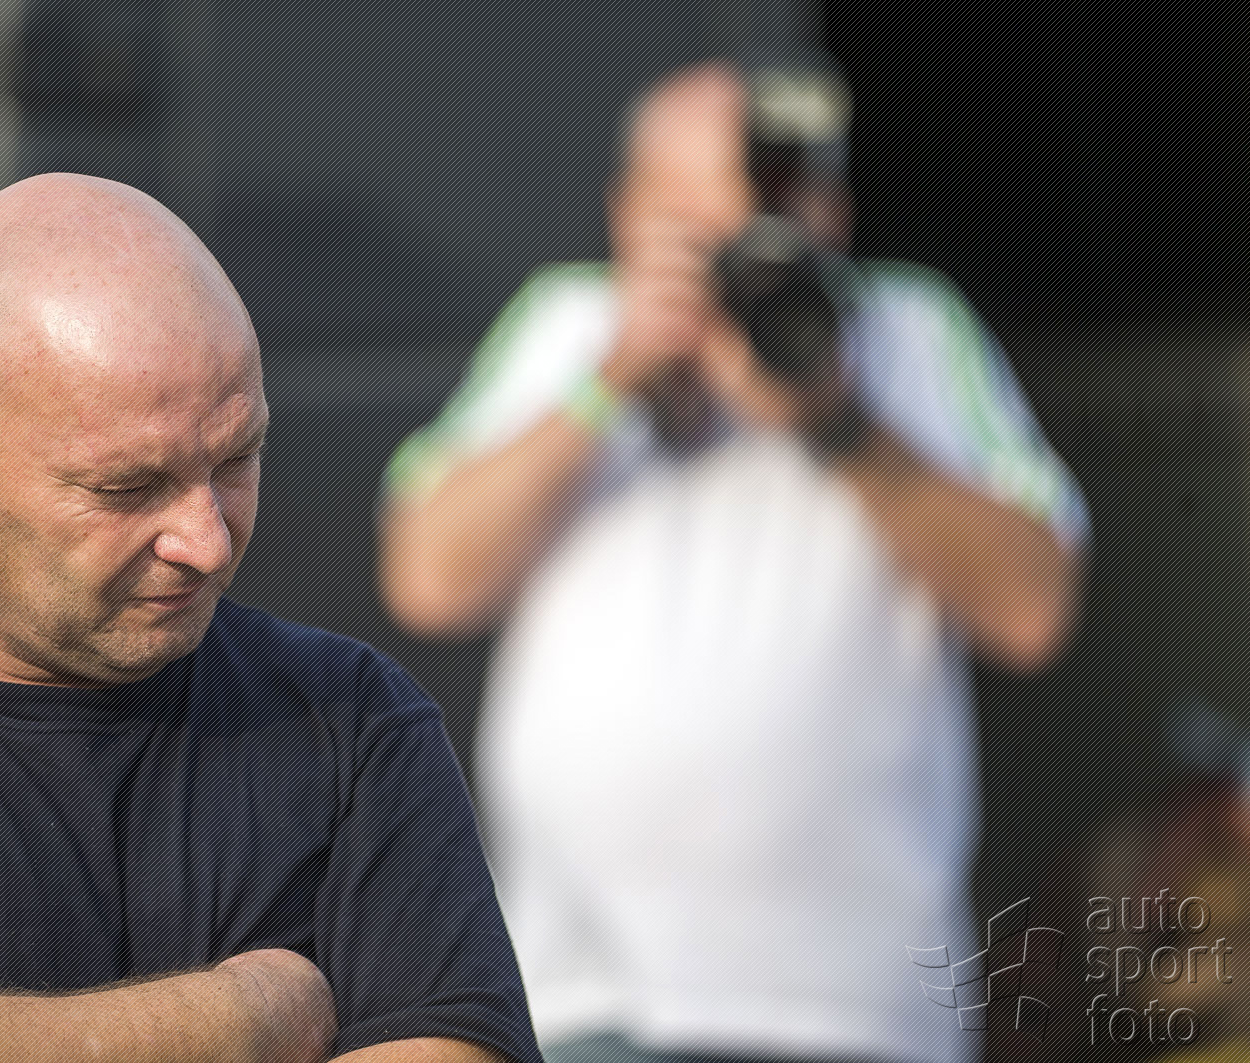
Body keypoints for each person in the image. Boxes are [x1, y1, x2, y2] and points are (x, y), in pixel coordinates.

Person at [0, 173, 544, 1063]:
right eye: (127, 486)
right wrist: (248, 1015)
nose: (206, 542)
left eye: (237, 459)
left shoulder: (350, 720)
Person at [378, 64, 1088, 1063]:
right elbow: (426, 576)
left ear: (830, 212)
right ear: (627, 217)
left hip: (859, 1014)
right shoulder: (567, 323)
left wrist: (836, 422)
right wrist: (610, 382)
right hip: (588, 998)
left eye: (771, 216)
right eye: (700, 222)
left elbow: (1032, 608)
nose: (742, 253)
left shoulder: (910, 328)